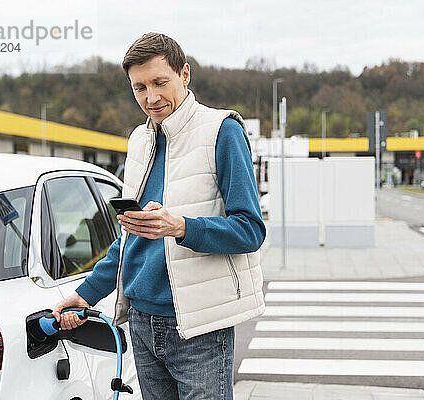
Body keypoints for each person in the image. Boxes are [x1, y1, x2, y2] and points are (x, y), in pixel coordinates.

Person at [53, 32, 266, 400]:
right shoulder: (138, 140)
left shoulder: (223, 132)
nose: (150, 97)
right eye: (139, 87)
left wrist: (180, 227)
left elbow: (250, 230)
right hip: (141, 322)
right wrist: (86, 293)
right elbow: (128, 238)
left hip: (198, 326)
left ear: (184, 74)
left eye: (159, 82)